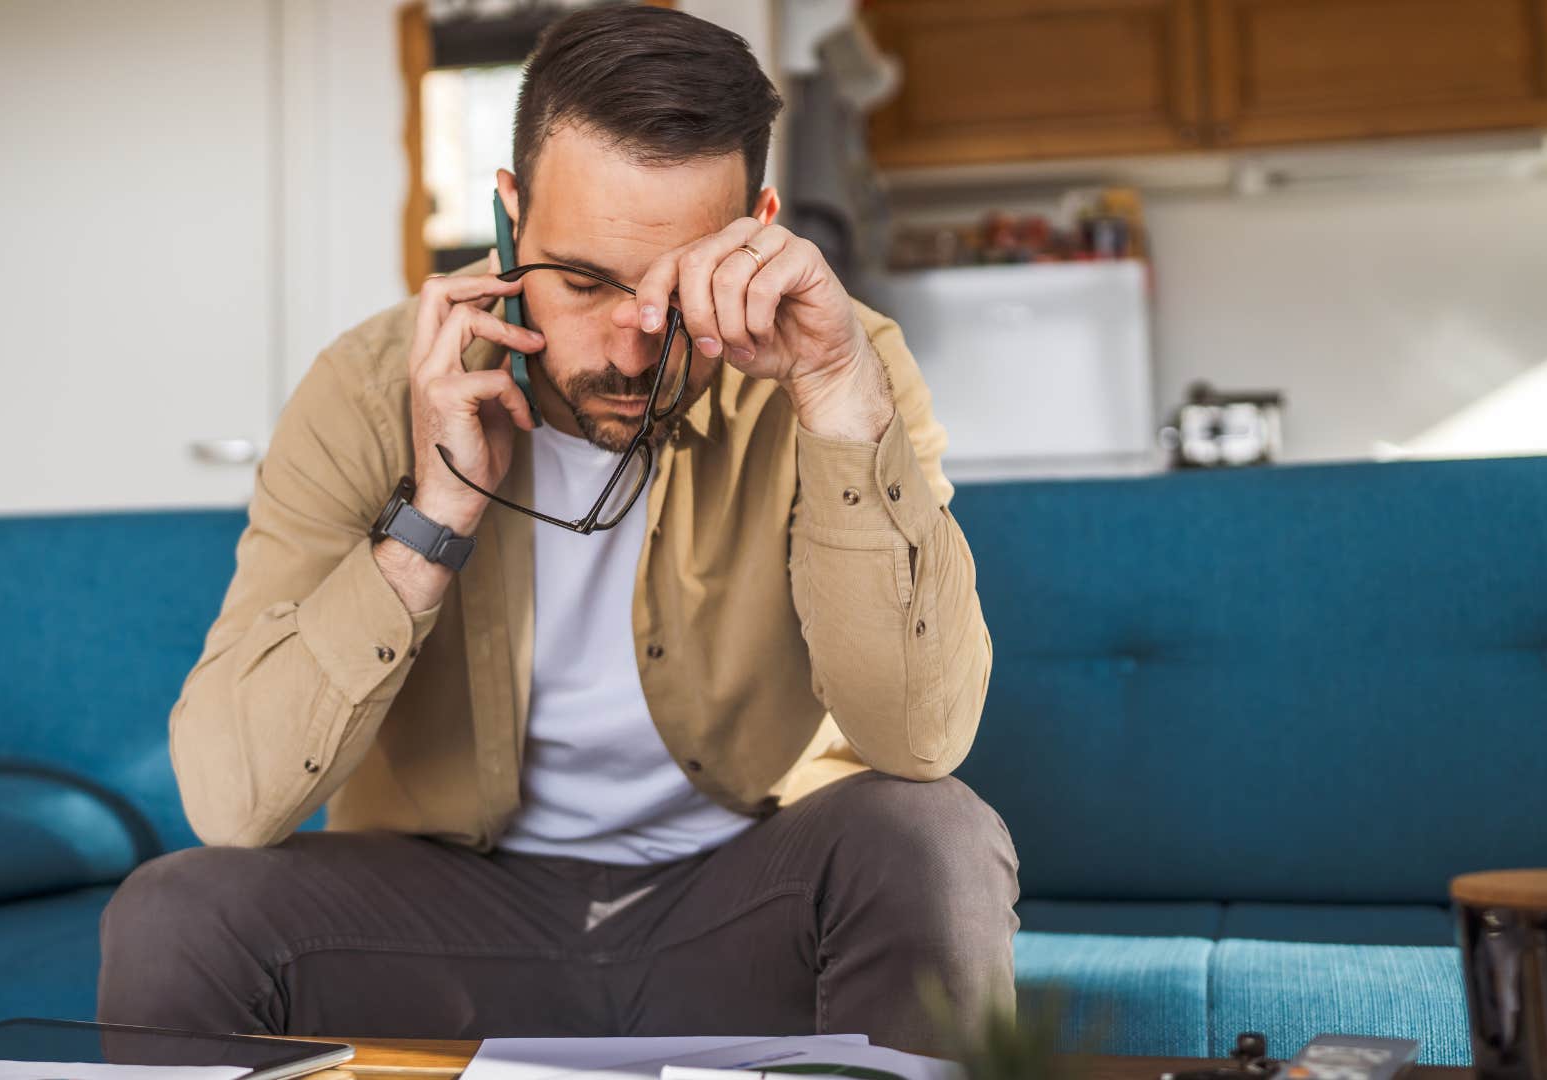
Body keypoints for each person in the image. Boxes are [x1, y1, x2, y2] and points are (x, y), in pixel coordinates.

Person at [99, 4, 1017, 1053]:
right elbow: (232, 801)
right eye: (582, 282)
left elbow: (922, 738)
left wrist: (840, 404)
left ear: (756, 233)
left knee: (932, 839)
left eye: (675, 290)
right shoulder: (364, 388)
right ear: (507, 215)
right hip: (451, 925)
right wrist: (437, 512)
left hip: (738, 907)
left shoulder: (843, 364)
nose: (628, 350)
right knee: (180, 912)